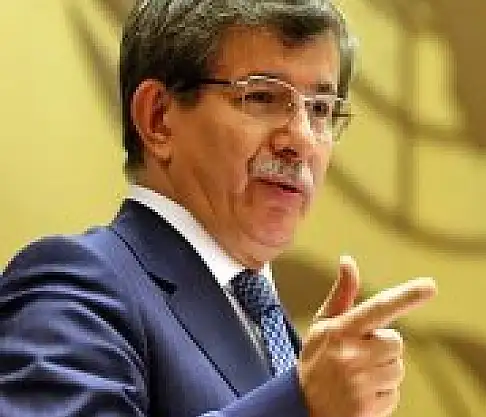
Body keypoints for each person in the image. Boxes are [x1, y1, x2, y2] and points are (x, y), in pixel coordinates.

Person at [0, 0, 437, 416]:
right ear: (158, 118)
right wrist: (297, 404)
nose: (302, 139)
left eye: (320, 109)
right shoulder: (74, 285)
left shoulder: (278, 334)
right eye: (262, 97)